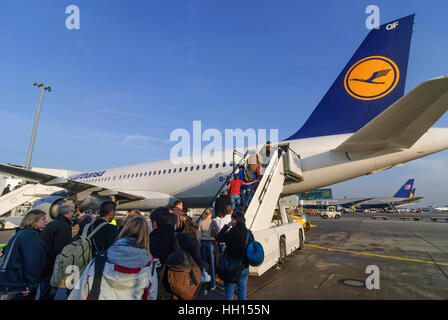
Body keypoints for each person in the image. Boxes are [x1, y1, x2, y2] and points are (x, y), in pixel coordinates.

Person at [68, 216, 160, 300]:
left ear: (124, 230)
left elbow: (77, 295)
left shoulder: (98, 261)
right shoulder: (149, 267)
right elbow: (152, 296)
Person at [149, 207, 206, 299]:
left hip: (156, 291)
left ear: (154, 223)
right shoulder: (181, 238)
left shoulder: (148, 241)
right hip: (179, 289)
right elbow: (198, 264)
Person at [0, 210, 47, 300]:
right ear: (34, 221)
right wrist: (31, 285)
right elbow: (32, 262)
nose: (46, 221)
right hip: (21, 283)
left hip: (11, 279)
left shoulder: (20, 233)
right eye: (43, 219)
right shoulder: (31, 235)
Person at [40, 201, 75, 300]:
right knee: (49, 293)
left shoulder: (52, 223)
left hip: (45, 262)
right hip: (52, 265)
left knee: (44, 290)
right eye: (72, 211)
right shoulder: (63, 227)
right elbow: (61, 249)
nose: (73, 213)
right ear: (69, 212)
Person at [215, 213, 249, 300]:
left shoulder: (232, 232)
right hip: (244, 267)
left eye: (232, 219)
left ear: (235, 220)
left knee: (229, 294)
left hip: (231, 268)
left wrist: (227, 226)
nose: (231, 221)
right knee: (242, 294)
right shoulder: (248, 233)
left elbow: (219, 238)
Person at [198, 209, 217, 291]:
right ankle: (212, 284)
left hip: (203, 243)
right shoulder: (213, 222)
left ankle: (205, 283)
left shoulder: (200, 222)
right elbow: (217, 232)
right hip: (211, 243)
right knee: (212, 264)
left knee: (204, 264)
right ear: (210, 214)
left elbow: (198, 235)